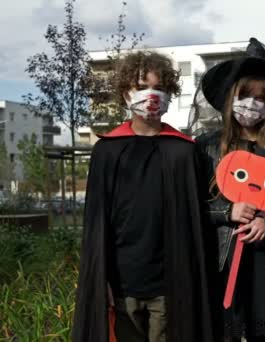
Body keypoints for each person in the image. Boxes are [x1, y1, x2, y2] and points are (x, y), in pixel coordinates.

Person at [72, 51, 218, 342]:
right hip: (123, 281)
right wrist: (102, 279)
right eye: (141, 87)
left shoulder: (184, 151)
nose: (151, 95)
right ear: (125, 92)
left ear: (170, 94)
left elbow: (196, 216)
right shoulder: (108, 150)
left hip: (169, 282)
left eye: (160, 87)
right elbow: (96, 223)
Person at [195, 37, 265, 341]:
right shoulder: (205, 148)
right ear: (231, 97)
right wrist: (226, 211)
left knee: (262, 331)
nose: (252, 104)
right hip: (219, 258)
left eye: (262, 97)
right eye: (245, 94)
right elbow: (189, 203)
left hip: (264, 261)